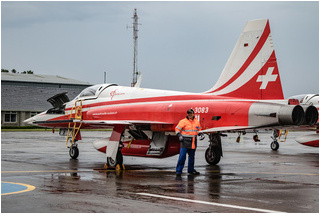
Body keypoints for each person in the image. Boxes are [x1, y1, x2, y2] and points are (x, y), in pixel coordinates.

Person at [175, 109, 205, 176]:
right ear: (187, 114)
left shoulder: (196, 122)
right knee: (182, 157)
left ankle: (190, 170)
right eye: (188, 113)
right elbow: (177, 129)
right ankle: (178, 171)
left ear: (193, 114)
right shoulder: (183, 121)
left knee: (192, 157)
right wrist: (179, 135)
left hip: (193, 141)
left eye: (191, 113)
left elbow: (199, 130)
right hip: (184, 141)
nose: (190, 115)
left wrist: (201, 134)